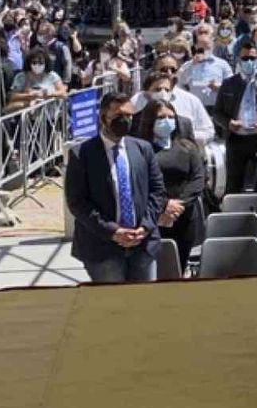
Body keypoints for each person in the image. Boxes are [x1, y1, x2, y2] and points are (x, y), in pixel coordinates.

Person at [64, 93, 167, 283]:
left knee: (146, 305)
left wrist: (145, 226)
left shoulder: (143, 149)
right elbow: (77, 202)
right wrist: (113, 231)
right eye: (119, 116)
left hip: (142, 245)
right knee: (112, 305)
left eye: (129, 116)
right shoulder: (82, 154)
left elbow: (157, 191)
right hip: (102, 248)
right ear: (104, 118)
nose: (126, 121)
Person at [133, 98, 206, 272]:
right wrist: (164, 206)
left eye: (171, 117)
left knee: (179, 266)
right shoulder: (141, 149)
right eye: (161, 117)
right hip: (153, 217)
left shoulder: (187, 147)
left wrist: (177, 206)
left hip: (185, 217)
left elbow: (198, 179)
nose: (167, 121)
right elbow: (140, 183)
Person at [215, 40, 257, 195]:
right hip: (236, 138)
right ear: (238, 59)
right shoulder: (229, 83)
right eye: (245, 59)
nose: (249, 62)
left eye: (252, 58)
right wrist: (229, 123)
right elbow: (217, 113)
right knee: (234, 183)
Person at [135, 54, 216, 144]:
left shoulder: (191, 100)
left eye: (173, 70)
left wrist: (184, 136)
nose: (169, 73)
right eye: (164, 70)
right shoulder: (138, 99)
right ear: (154, 71)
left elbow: (208, 132)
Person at [178, 30, 232, 112]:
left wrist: (219, 87)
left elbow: (231, 85)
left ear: (212, 46)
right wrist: (192, 65)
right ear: (196, 47)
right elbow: (180, 82)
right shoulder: (188, 64)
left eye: (207, 47)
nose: (204, 50)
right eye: (201, 48)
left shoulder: (222, 64)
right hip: (195, 107)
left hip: (217, 107)